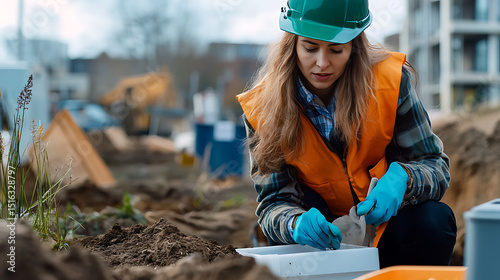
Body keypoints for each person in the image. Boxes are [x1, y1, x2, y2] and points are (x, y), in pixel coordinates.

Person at [236, 0, 457, 268]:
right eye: (309, 47)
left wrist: (404, 179)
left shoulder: (391, 82)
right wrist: (294, 223)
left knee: (434, 220)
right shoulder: (262, 109)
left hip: (386, 235)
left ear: (354, 47)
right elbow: (273, 203)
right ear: (292, 44)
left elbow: (435, 166)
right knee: (285, 232)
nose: (321, 63)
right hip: (319, 248)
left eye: (336, 50)